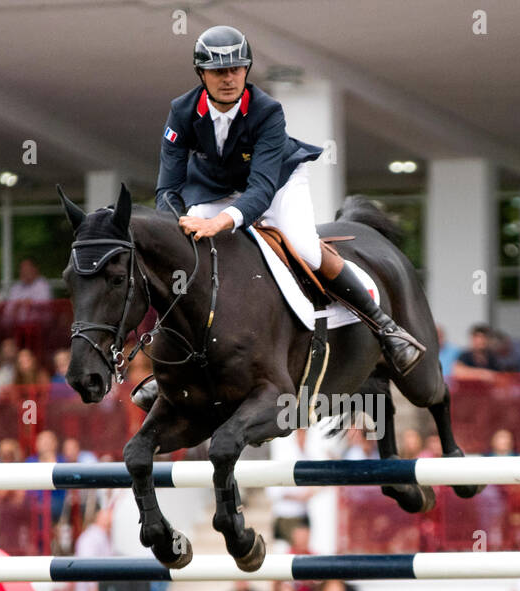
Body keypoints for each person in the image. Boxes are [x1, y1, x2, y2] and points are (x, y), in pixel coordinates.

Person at [136, 26, 423, 411]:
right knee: (182, 258)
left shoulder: (268, 111)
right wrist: (179, 229)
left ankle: (385, 328)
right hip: (214, 192)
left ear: (246, 70)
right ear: (201, 74)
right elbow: (168, 188)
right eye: (218, 71)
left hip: (278, 186)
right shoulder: (182, 111)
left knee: (305, 247)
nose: (228, 78)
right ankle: (177, 366)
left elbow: (261, 190)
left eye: (236, 69)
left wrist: (218, 224)